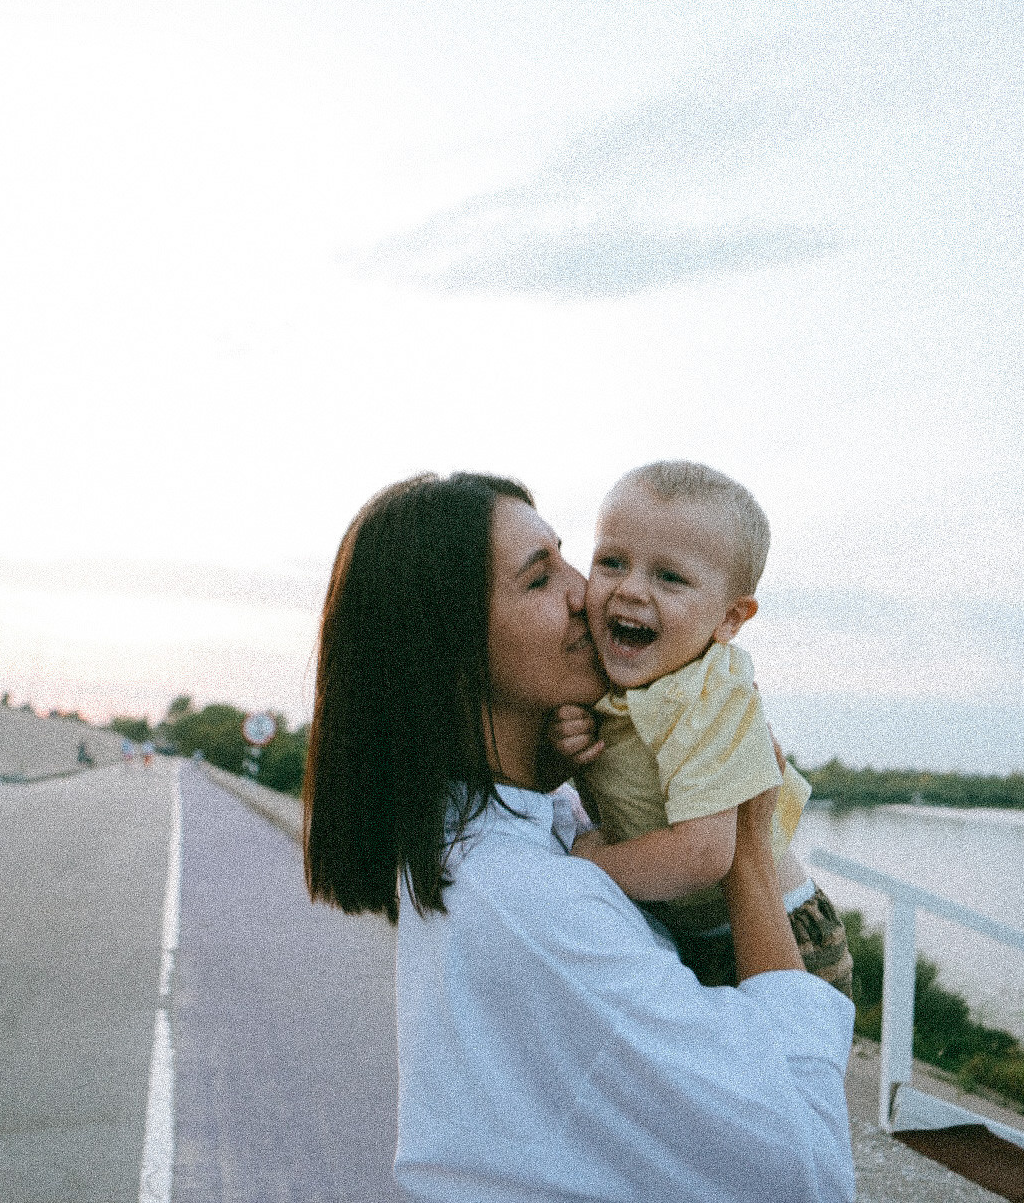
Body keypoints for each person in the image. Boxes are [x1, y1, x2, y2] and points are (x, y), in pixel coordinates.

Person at [304, 471, 855, 1203]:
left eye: (568, 558)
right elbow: (801, 1168)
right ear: (452, 647)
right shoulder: (529, 897)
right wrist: (749, 849)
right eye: (540, 578)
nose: (586, 592)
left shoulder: (513, 827)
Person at [552, 461, 853, 994]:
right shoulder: (616, 668)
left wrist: (593, 861)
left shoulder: (711, 691)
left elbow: (702, 854)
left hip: (773, 934)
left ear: (730, 619)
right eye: (612, 562)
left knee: (779, 1069)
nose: (631, 590)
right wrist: (565, 747)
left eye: (670, 577)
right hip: (686, 927)